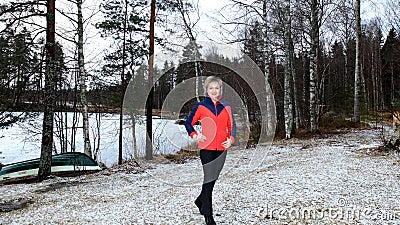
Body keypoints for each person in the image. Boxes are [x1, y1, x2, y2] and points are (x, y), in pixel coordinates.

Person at [185, 76, 236, 225]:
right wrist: (195, 135)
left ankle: (200, 200)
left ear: (221, 90)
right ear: (207, 90)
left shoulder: (226, 106)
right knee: (209, 179)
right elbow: (189, 123)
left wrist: (230, 139)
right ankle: (208, 215)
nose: (214, 91)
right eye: (211, 88)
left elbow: (232, 126)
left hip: (222, 149)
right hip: (206, 149)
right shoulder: (201, 106)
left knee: (213, 179)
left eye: (217, 88)